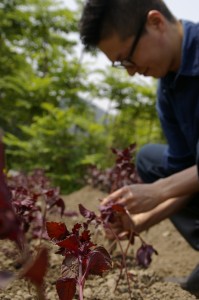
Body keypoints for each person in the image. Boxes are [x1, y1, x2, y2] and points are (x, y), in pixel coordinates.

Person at [79, 0, 199, 295]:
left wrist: (158, 191)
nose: (130, 73)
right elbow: (185, 178)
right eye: (121, 65)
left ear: (156, 22)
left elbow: (170, 187)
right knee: (151, 160)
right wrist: (138, 222)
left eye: (127, 59)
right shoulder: (168, 90)